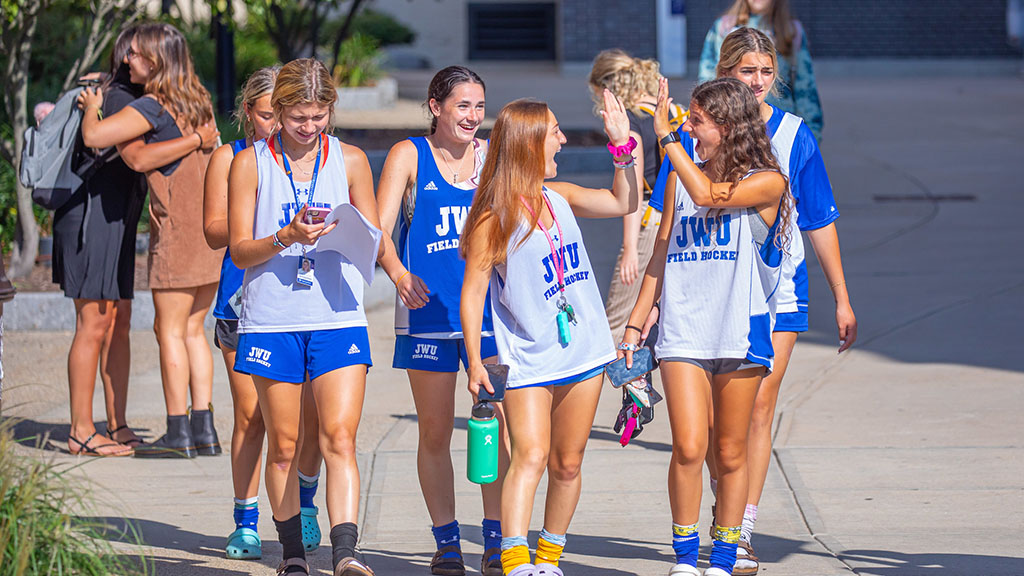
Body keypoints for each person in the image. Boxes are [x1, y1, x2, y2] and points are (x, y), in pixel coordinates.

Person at [649, 28, 858, 574]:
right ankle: (712, 527)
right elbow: (663, 224)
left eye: (767, 72)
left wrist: (841, 295)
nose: (759, 82)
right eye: (748, 72)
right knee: (705, 434)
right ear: (726, 75)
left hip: (774, 294)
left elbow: (819, 220)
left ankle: (737, 532)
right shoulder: (693, 139)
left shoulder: (792, 137)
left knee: (753, 413)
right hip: (700, 302)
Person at [460, 92, 639, 576]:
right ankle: (516, 560)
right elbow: (473, 294)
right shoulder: (493, 217)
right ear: (529, 142)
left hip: (584, 350)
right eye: (554, 132)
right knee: (531, 454)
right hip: (528, 357)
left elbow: (626, 200)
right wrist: (476, 361)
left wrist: (622, 149)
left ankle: (549, 558)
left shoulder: (559, 198)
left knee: (568, 463)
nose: (561, 140)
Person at [622, 76, 790, 576]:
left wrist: (666, 140)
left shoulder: (768, 182)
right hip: (683, 330)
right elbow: (659, 254)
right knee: (690, 446)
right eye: (687, 119)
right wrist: (634, 327)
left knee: (730, 449)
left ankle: (724, 553)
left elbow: (711, 194)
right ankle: (684, 556)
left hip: (740, 328)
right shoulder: (679, 176)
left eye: (697, 119)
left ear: (728, 125)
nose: (687, 126)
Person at [228, 57, 382, 576]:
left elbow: (373, 236)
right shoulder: (250, 164)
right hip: (272, 317)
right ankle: (293, 555)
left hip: (337, 314)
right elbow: (239, 251)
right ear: (278, 111)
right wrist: (286, 237)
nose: (309, 128)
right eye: (298, 117)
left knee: (339, 436)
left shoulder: (351, 160)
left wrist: (356, 241)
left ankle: (346, 554)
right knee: (285, 445)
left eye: (319, 117)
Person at [376, 65, 507, 576]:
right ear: (436, 106)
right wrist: (398, 274)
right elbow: (379, 229)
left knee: (491, 428)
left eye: (479, 106)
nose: (473, 117)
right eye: (462, 106)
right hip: (427, 313)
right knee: (434, 432)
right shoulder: (410, 154)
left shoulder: (491, 155)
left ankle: (497, 538)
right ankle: (447, 541)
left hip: (488, 316)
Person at [65, 25, 217, 457]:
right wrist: (194, 139)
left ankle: (177, 432)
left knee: (168, 331)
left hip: (176, 232)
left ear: (157, 60)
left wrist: (93, 106)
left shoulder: (153, 105)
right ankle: (202, 428)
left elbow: (106, 143)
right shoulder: (199, 99)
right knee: (193, 332)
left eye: (136, 54)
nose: (127, 59)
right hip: (208, 233)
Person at [203, 65, 325, 559]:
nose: (276, 126)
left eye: (284, 114)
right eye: (267, 115)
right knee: (252, 416)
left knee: (311, 419)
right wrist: (255, 214)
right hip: (242, 302)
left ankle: (308, 505)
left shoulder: (317, 156)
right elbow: (215, 234)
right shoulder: (232, 158)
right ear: (247, 113)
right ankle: (245, 519)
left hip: (308, 301)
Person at [587, 49, 686, 343]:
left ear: (607, 88)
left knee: (619, 319)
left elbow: (632, 187)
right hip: (679, 214)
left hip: (649, 219)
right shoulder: (669, 110)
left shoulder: (630, 120)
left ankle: (615, 381)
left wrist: (629, 248)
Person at [697, 0, 824, 141]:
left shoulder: (791, 30)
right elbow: (707, 81)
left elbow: (806, 89)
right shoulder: (724, 27)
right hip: (732, 128)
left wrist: (811, 137)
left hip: (779, 131)